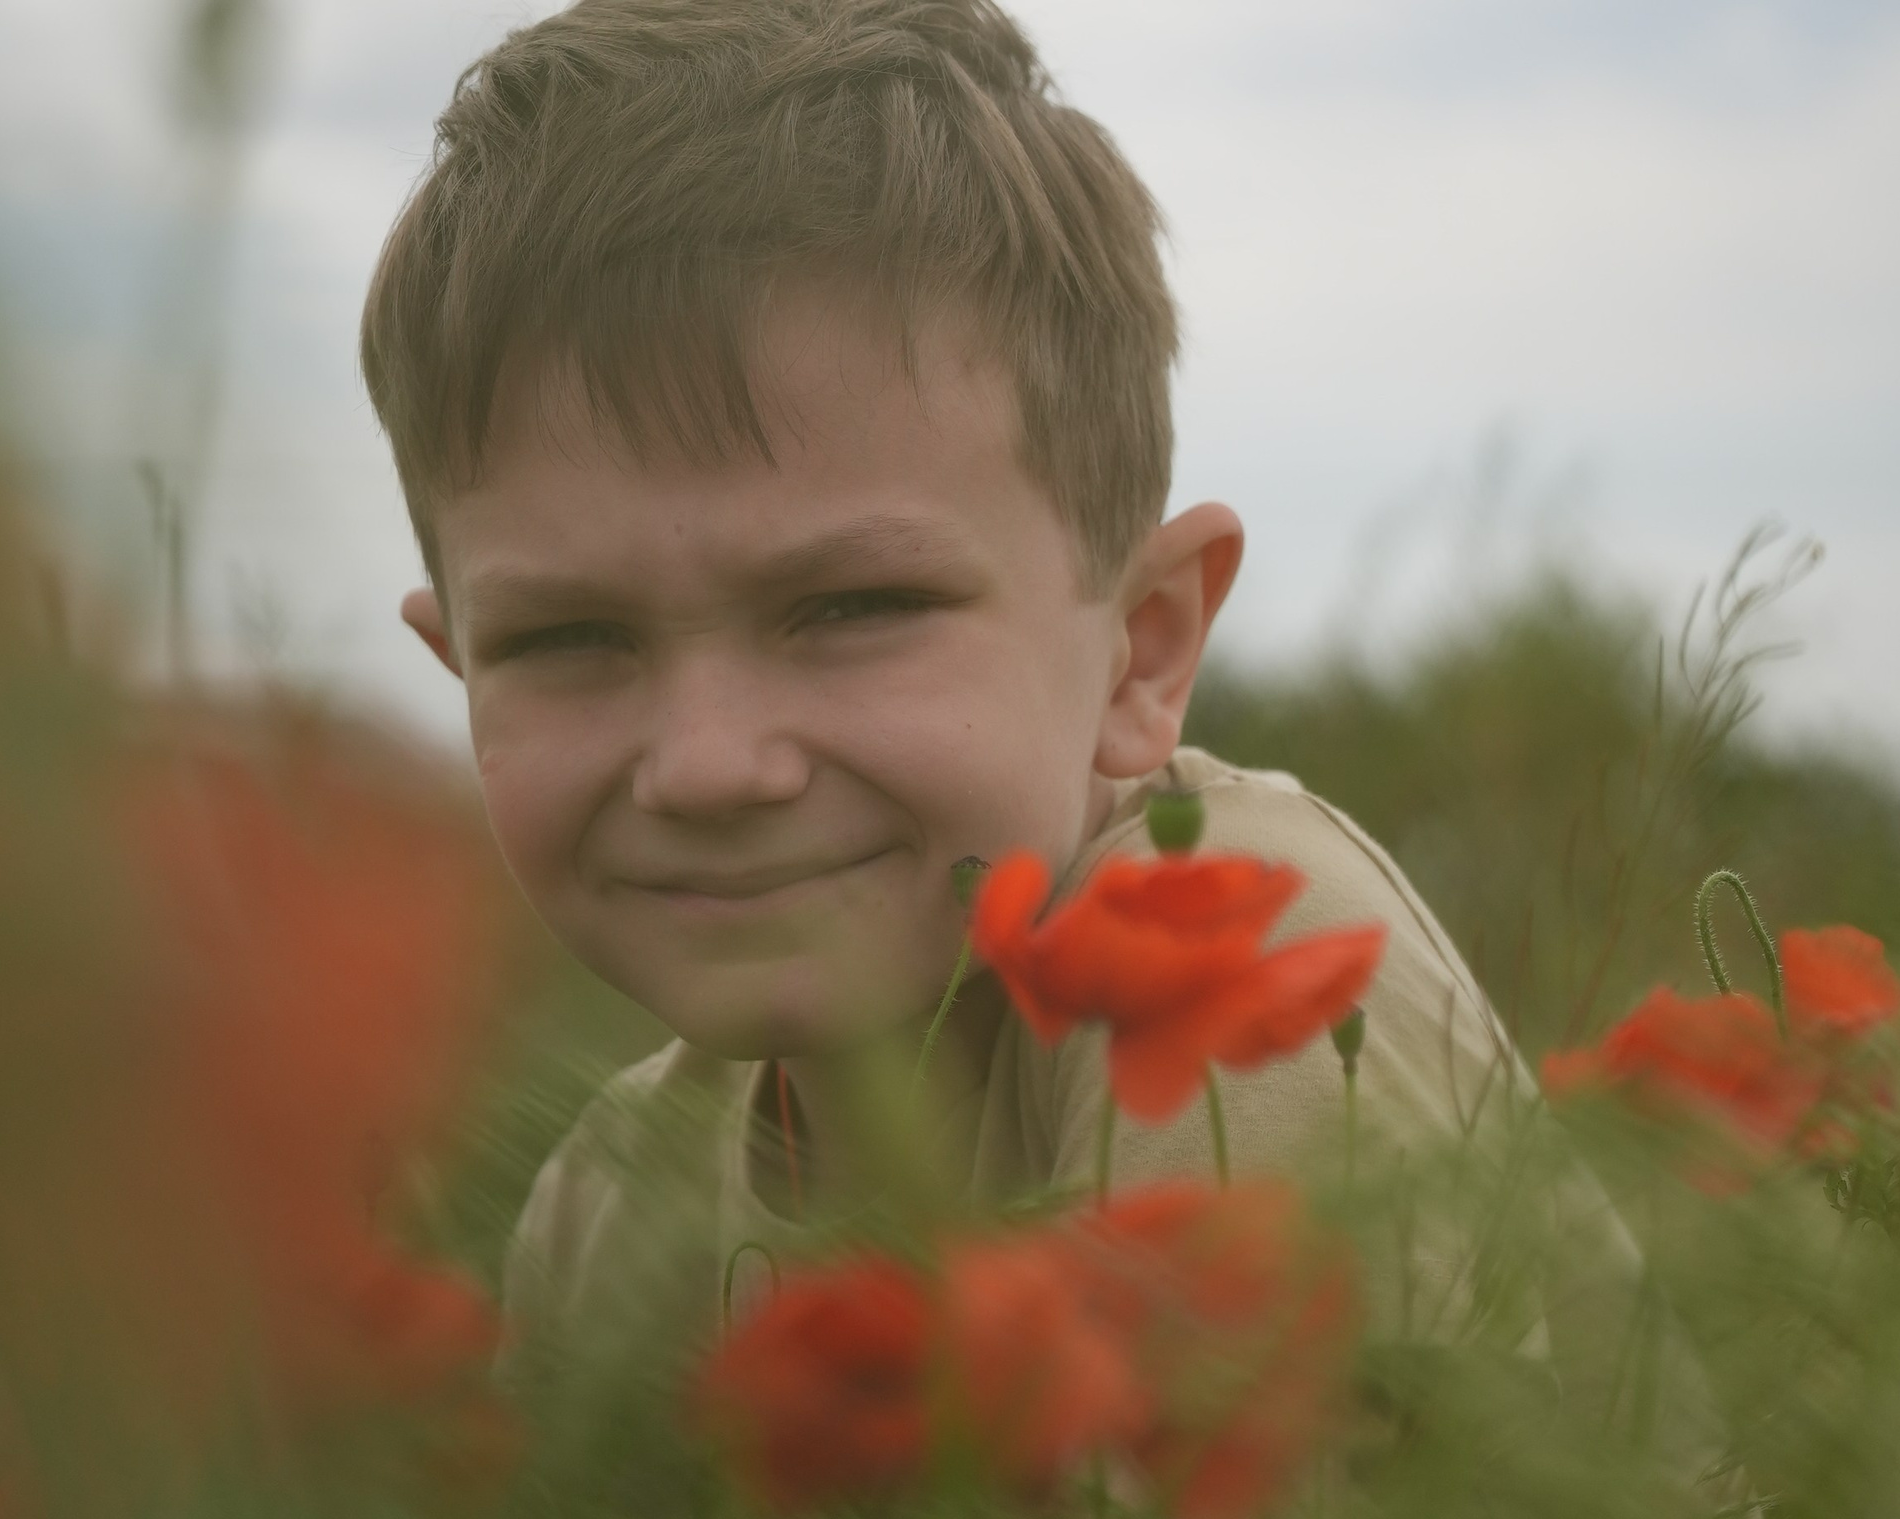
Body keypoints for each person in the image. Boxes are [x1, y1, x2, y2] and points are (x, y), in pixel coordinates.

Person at [359, 0, 1527, 1357]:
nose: (707, 763)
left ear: (1140, 652)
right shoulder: (609, 1212)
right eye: (567, 641)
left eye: (854, 606)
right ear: (459, 666)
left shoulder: (1243, 965)